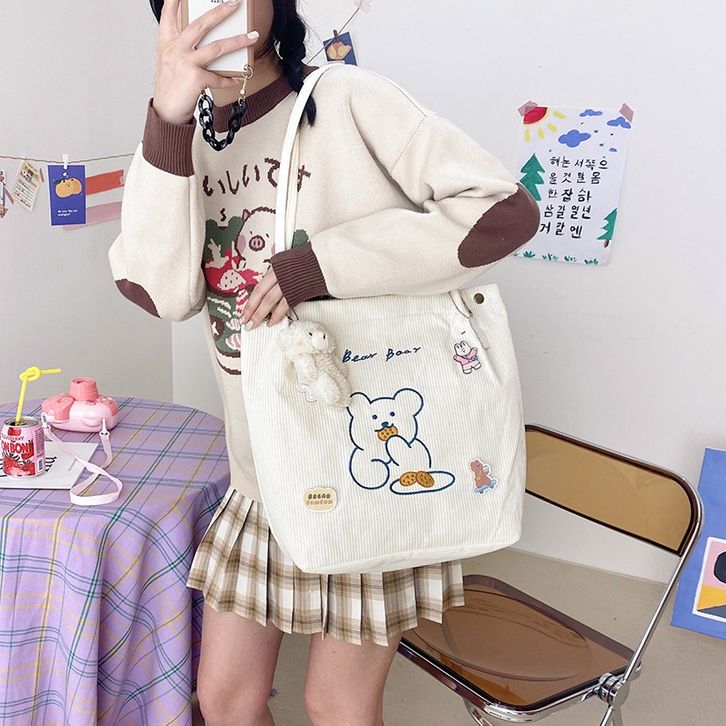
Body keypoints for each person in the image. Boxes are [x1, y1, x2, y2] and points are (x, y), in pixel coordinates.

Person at [108, 1, 540, 723]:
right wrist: (167, 115)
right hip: (261, 482)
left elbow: (504, 211)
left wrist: (321, 266)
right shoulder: (178, 143)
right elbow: (157, 291)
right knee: (224, 700)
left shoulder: (346, 99)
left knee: (336, 703)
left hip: (369, 479)